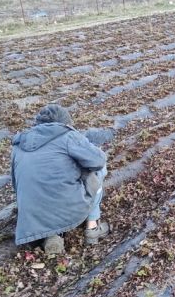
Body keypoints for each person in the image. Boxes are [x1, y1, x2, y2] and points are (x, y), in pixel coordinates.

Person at [11, 104, 110, 254]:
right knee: (98, 172)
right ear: (65, 123)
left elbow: (15, 183)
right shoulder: (68, 135)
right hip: (66, 204)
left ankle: (53, 235)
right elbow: (98, 161)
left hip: (31, 216)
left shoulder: (19, 144)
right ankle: (93, 227)